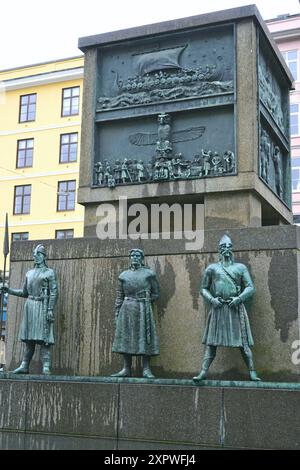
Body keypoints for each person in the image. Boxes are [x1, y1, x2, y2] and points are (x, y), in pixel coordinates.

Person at [193, 234, 260, 382]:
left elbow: (250, 287)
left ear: (232, 249)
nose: (226, 250)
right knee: (211, 344)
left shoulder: (240, 268)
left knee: (243, 343)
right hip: (218, 308)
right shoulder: (212, 268)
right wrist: (212, 299)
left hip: (235, 308)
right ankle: (203, 371)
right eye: (223, 247)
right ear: (219, 250)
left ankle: (252, 371)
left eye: (229, 247)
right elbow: (203, 289)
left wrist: (239, 298)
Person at [1, 244, 58, 375]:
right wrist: (9, 290)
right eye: (34, 255)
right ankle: (24, 365)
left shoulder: (50, 273)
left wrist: (50, 309)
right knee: (29, 339)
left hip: (42, 306)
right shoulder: (29, 273)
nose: (36, 257)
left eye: (39, 254)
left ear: (44, 256)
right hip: (30, 307)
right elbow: (24, 292)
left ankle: (46, 366)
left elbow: (54, 292)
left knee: (44, 338)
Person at [111, 249, 160, 378]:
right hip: (127, 308)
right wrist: (117, 313)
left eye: (137, 255)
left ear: (142, 258)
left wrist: (147, 299)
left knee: (145, 338)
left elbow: (156, 293)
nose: (135, 257)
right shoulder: (123, 275)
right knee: (126, 338)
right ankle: (126, 368)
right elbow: (119, 296)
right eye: (132, 255)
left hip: (143, 308)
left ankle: (146, 369)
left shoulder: (149, 274)